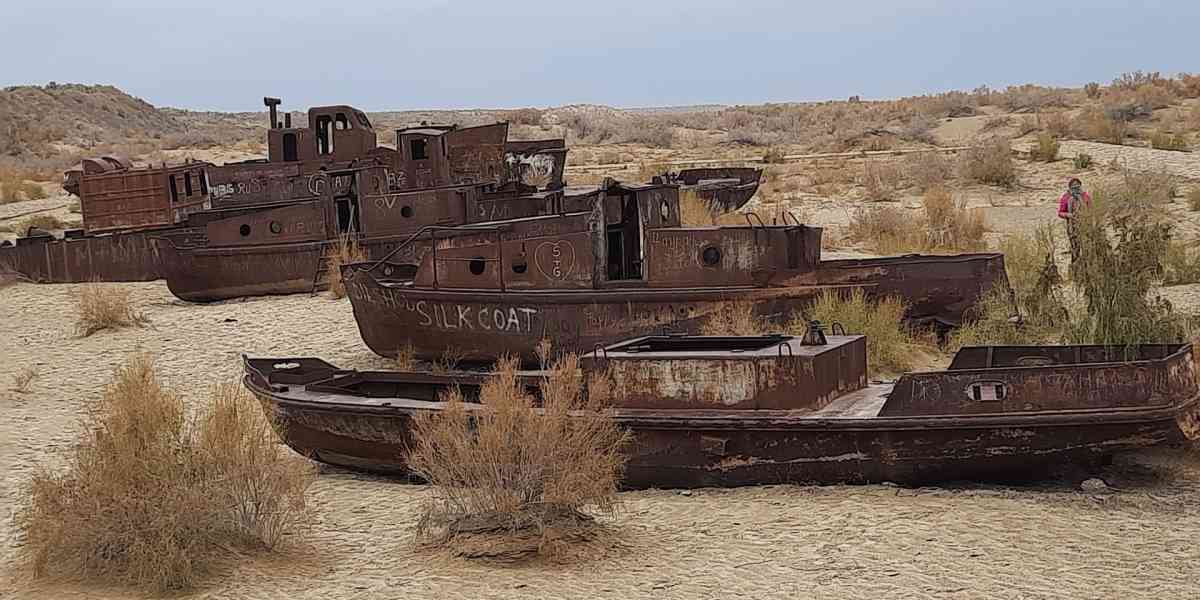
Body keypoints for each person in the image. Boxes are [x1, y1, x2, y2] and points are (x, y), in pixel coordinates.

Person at [1057, 178, 1091, 262]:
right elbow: (1060, 212)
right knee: (1075, 247)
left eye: (1077, 187)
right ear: (1070, 187)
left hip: (1085, 225)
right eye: (1074, 187)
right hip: (1072, 226)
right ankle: (1075, 266)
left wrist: (1085, 215)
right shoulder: (1066, 197)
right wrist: (1069, 215)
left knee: (1087, 247)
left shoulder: (1085, 196)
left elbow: (1091, 209)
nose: (1076, 189)